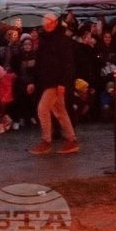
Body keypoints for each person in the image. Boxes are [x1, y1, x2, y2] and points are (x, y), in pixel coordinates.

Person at [28, 11, 79, 155]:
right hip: (47, 82)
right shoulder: (44, 40)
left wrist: (63, 83)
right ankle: (71, 140)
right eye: (45, 22)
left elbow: (67, 64)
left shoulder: (62, 40)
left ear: (55, 23)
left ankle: (47, 141)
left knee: (43, 109)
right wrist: (33, 81)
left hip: (56, 83)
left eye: (50, 22)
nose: (47, 25)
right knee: (60, 111)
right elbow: (39, 63)